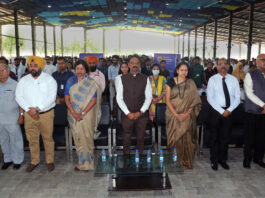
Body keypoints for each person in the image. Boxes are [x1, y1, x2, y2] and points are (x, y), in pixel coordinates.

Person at [15, 56, 57, 172]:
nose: (32, 68)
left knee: (47, 138)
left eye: (35, 65)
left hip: (46, 114)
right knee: (32, 139)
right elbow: (18, 97)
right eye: (31, 66)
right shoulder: (23, 80)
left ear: (41, 66)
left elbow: (51, 97)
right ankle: (34, 161)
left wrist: (38, 109)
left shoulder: (49, 80)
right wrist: (29, 110)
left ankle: (49, 161)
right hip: (29, 115)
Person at [65, 60, 101, 171]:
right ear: (75, 69)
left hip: (87, 114)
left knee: (88, 137)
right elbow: (67, 99)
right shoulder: (70, 81)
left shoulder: (91, 82)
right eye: (77, 69)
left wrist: (83, 113)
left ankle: (89, 164)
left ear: (86, 70)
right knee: (78, 138)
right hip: (73, 114)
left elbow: (93, 100)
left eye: (82, 69)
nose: (79, 71)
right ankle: (81, 162)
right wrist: (74, 113)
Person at [165, 62, 201, 169]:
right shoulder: (170, 82)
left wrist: (187, 113)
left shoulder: (191, 83)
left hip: (188, 115)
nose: (184, 72)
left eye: (186, 70)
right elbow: (167, 101)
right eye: (182, 70)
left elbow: (194, 100)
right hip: (173, 115)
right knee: (175, 140)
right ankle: (176, 162)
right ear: (177, 70)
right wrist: (177, 115)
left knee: (187, 139)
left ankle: (186, 162)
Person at [207, 58, 240, 171]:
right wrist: (221, 111)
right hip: (216, 111)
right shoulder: (212, 80)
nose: (223, 66)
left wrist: (229, 110)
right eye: (220, 64)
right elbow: (209, 98)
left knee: (225, 137)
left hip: (229, 112)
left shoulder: (234, 79)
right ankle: (214, 160)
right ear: (216, 67)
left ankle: (223, 159)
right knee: (214, 137)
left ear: (229, 66)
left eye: (225, 64)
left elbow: (237, 98)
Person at [116, 54, 152, 154]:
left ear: (140, 65)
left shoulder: (145, 78)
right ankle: (126, 160)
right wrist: (128, 113)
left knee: (141, 138)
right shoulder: (122, 79)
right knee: (126, 138)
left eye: (136, 63)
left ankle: (140, 160)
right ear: (128, 65)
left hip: (142, 115)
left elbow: (149, 98)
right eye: (132, 63)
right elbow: (119, 98)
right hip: (127, 115)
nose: (134, 65)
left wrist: (140, 112)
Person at [0, 63, 24, 170]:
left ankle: (17, 160)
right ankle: (7, 159)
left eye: (3, 70)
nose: (0, 73)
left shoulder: (15, 85)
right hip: (1, 119)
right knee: (3, 140)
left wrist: (21, 116)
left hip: (12, 118)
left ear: (8, 72)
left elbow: (21, 102)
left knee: (16, 140)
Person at [243, 54, 265, 169]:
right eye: (262, 60)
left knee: (262, 137)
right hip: (252, 112)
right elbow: (249, 93)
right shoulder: (250, 75)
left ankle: (258, 158)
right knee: (249, 137)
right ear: (256, 62)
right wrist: (263, 105)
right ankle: (247, 159)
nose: (264, 62)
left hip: (264, 113)